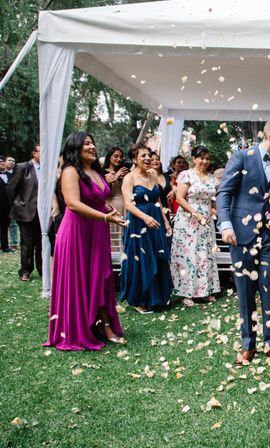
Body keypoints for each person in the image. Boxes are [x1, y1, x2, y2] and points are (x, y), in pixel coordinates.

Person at [216, 120, 270, 365]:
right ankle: (248, 345)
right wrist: (226, 225)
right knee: (245, 291)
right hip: (241, 236)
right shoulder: (241, 157)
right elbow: (224, 192)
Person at [45, 132, 126, 350]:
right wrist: (104, 216)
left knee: (100, 277)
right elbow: (72, 203)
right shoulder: (71, 171)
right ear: (75, 148)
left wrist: (111, 213)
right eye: (86, 143)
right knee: (80, 278)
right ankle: (79, 328)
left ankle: (104, 326)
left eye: (92, 143)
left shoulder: (96, 171)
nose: (92, 147)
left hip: (97, 230)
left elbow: (100, 199)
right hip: (76, 232)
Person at [120, 143, 173, 314]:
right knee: (141, 258)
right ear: (134, 159)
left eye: (149, 155)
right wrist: (145, 217)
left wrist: (165, 221)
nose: (148, 158)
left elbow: (158, 201)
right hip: (138, 221)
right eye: (142, 155)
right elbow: (128, 204)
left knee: (157, 256)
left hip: (155, 219)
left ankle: (156, 297)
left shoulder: (153, 175)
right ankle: (138, 299)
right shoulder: (129, 178)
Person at [170, 145, 220, 306]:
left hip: (206, 219)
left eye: (207, 158)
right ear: (194, 158)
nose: (204, 161)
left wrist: (216, 210)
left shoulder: (212, 178)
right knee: (188, 254)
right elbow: (179, 198)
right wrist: (195, 213)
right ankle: (186, 293)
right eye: (201, 158)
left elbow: (214, 200)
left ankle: (203, 291)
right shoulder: (187, 175)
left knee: (204, 254)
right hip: (188, 219)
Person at [7, 145, 42, 281]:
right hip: (25, 211)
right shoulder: (23, 167)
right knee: (27, 242)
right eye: (41, 152)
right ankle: (25, 270)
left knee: (41, 242)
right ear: (34, 153)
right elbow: (11, 189)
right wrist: (17, 204)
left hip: (42, 212)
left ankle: (42, 269)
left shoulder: (47, 169)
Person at [0, 156, 11, 252]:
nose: (2, 163)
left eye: (3, 161)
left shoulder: (10, 175)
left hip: (7, 206)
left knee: (5, 226)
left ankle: (5, 246)